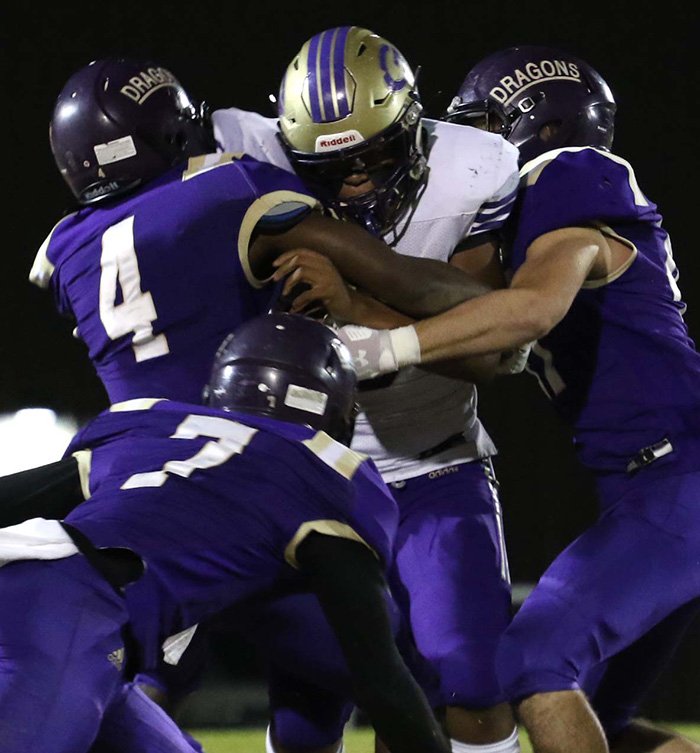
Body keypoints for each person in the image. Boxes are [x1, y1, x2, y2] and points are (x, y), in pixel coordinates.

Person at [295, 44, 700, 753]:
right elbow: (488, 341)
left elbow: (533, 311)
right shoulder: (535, 223)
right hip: (650, 489)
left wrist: (380, 347)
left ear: (529, 125)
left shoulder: (571, 175)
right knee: (599, 718)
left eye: (481, 124)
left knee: (532, 663)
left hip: (675, 481)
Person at [213, 25, 523, 753]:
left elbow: (490, 346)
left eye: (374, 155)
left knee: (473, 685)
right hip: (312, 480)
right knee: (307, 720)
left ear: (414, 129)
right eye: (333, 167)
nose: (354, 181)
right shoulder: (245, 151)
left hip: (431, 463)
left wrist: (357, 306)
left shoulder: (471, 170)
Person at [0, 311, 451, 753]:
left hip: (52, 599)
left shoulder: (150, 427)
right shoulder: (324, 473)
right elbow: (381, 679)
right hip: (70, 613)